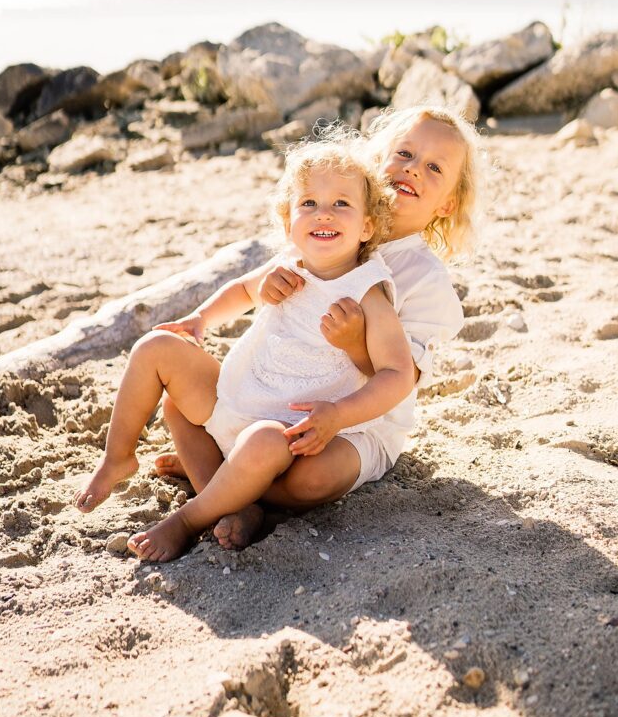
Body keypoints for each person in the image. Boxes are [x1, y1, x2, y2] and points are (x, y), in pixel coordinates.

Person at [154, 103, 483, 549]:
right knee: (179, 407)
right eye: (404, 154)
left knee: (312, 479)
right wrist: (268, 288)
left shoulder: (424, 278)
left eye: (434, 167)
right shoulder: (326, 225)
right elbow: (258, 293)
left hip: (355, 422)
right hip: (273, 400)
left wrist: (354, 345)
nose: (413, 170)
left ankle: (223, 481)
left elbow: (403, 379)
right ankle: (234, 491)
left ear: (447, 203)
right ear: (377, 160)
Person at [74, 137, 416, 563]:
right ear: (289, 219)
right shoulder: (288, 266)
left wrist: (339, 415)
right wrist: (199, 319)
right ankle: (118, 458)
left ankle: (190, 518)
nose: (323, 213)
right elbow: (241, 290)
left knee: (260, 447)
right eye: (308, 203)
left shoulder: (367, 292)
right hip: (235, 403)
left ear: (367, 226)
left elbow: (398, 373)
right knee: (156, 348)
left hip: (293, 435)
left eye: (341, 204)